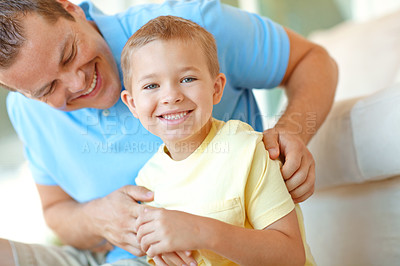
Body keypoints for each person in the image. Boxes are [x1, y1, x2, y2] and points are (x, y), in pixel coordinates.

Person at [0, 0, 337, 265]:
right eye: (48, 89)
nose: (77, 83)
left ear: (69, 8)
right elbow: (56, 211)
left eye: (69, 53)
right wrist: (95, 218)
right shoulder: (27, 113)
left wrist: (289, 134)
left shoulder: (191, 30)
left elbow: (312, 59)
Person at [120, 15, 315, 266]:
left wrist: (199, 231)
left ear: (216, 89)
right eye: (151, 85)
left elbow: (291, 257)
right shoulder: (148, 181)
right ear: (133, 104)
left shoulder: (247, 150)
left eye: (187, 79)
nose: (171, 96)